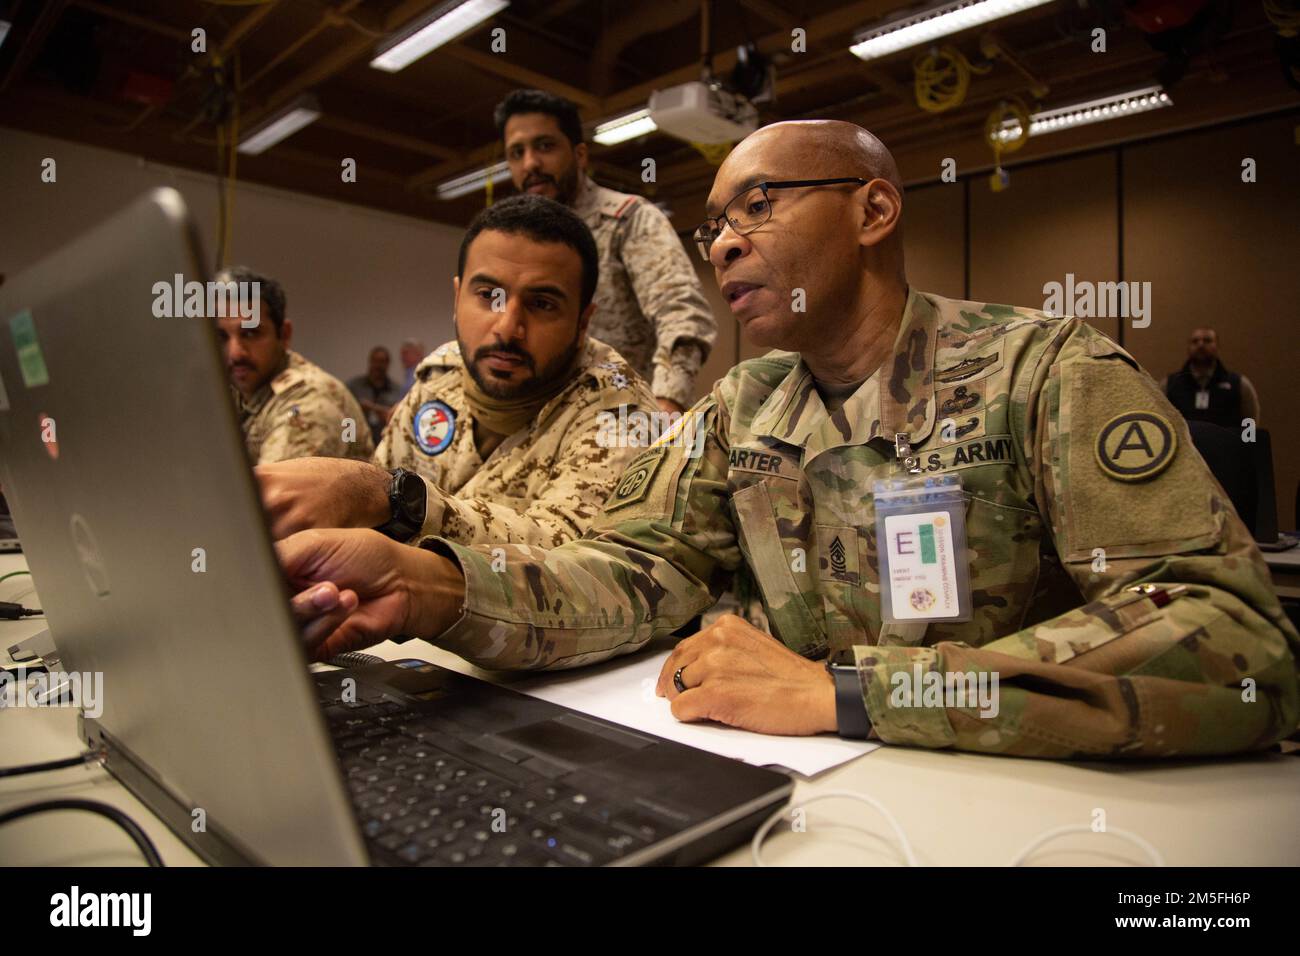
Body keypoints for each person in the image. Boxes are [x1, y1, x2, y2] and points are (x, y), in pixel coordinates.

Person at [275, 121, 1299, 759]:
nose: (720, 241)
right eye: (710, 224)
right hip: (814, 804)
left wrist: (853, 693)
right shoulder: (741, 406)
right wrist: (434, 583)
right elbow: (633, 568)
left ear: (873, 211)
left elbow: (1238, 642)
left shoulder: (1044, 373)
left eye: (755, 206)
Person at [255, 195, 658, 549]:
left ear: (583, 321)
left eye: (542, 304)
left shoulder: (620, 411)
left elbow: (566, 562)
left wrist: (401, 504)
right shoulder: (441, 375)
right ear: (457, 296)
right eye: (488, 296)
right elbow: (376, 505)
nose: (507, 328)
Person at [495, 89, 716, 415]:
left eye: (545, 146)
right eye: (517, 152)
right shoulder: (512, 240)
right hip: (536, 422)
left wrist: (667, 403)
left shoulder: (629, 219)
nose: (530, 163)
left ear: (580, 154)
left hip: (618, 424)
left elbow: (683, 314)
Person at [214, 266, 372, 464]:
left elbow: (271, 493)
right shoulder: (239, 391)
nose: (235, 353)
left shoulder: (309, 401)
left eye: (251, 333)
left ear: (284, 334)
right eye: (221, 337)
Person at [1161, 327, 1261, 428]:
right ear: (1188, 347)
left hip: (1225, 443)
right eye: (1195, 341)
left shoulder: (1239, 384)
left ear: (1217, 346)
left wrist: (1247, 443)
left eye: (1207, 341)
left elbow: (1251, 422)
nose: (1201, 345)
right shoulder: (1170, 384)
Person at [347, 346, 403, 443]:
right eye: (375, 361)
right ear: (370, 362)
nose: (378, 365)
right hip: (357, 442)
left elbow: (399, 418)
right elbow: (346, 417)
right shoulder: (354, 386)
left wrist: (374, 408)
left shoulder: (397, 390)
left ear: (387, 364)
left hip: (384, 442)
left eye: (382, 362)